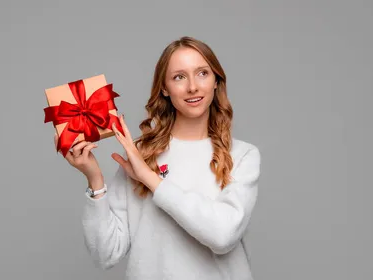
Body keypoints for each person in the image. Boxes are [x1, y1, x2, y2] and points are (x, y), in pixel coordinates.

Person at [54, 36, 261, 280]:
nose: (193, 86)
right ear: (164, 87)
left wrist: (151, 179)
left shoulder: (243, 155)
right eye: (179, 77)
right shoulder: (141, 154)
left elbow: (223, 235)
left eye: (202, 73)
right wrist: (95, 179)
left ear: (216, 80)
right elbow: (106, 254)